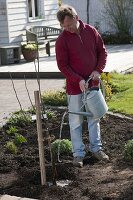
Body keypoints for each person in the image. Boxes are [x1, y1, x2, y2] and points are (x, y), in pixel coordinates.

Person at [55, 4, 109, 167]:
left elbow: (102, 52)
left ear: (76, 18)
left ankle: (96, 149)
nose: (67, 29)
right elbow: (63, 66)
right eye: (64, 26)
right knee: (76, 120)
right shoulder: (62, 40)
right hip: (74, 87)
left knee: (94, 118)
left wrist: (98, 71)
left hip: (92, 84)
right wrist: (77, 79)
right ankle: (78, 154)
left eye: (69, 25)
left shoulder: (91, 31)